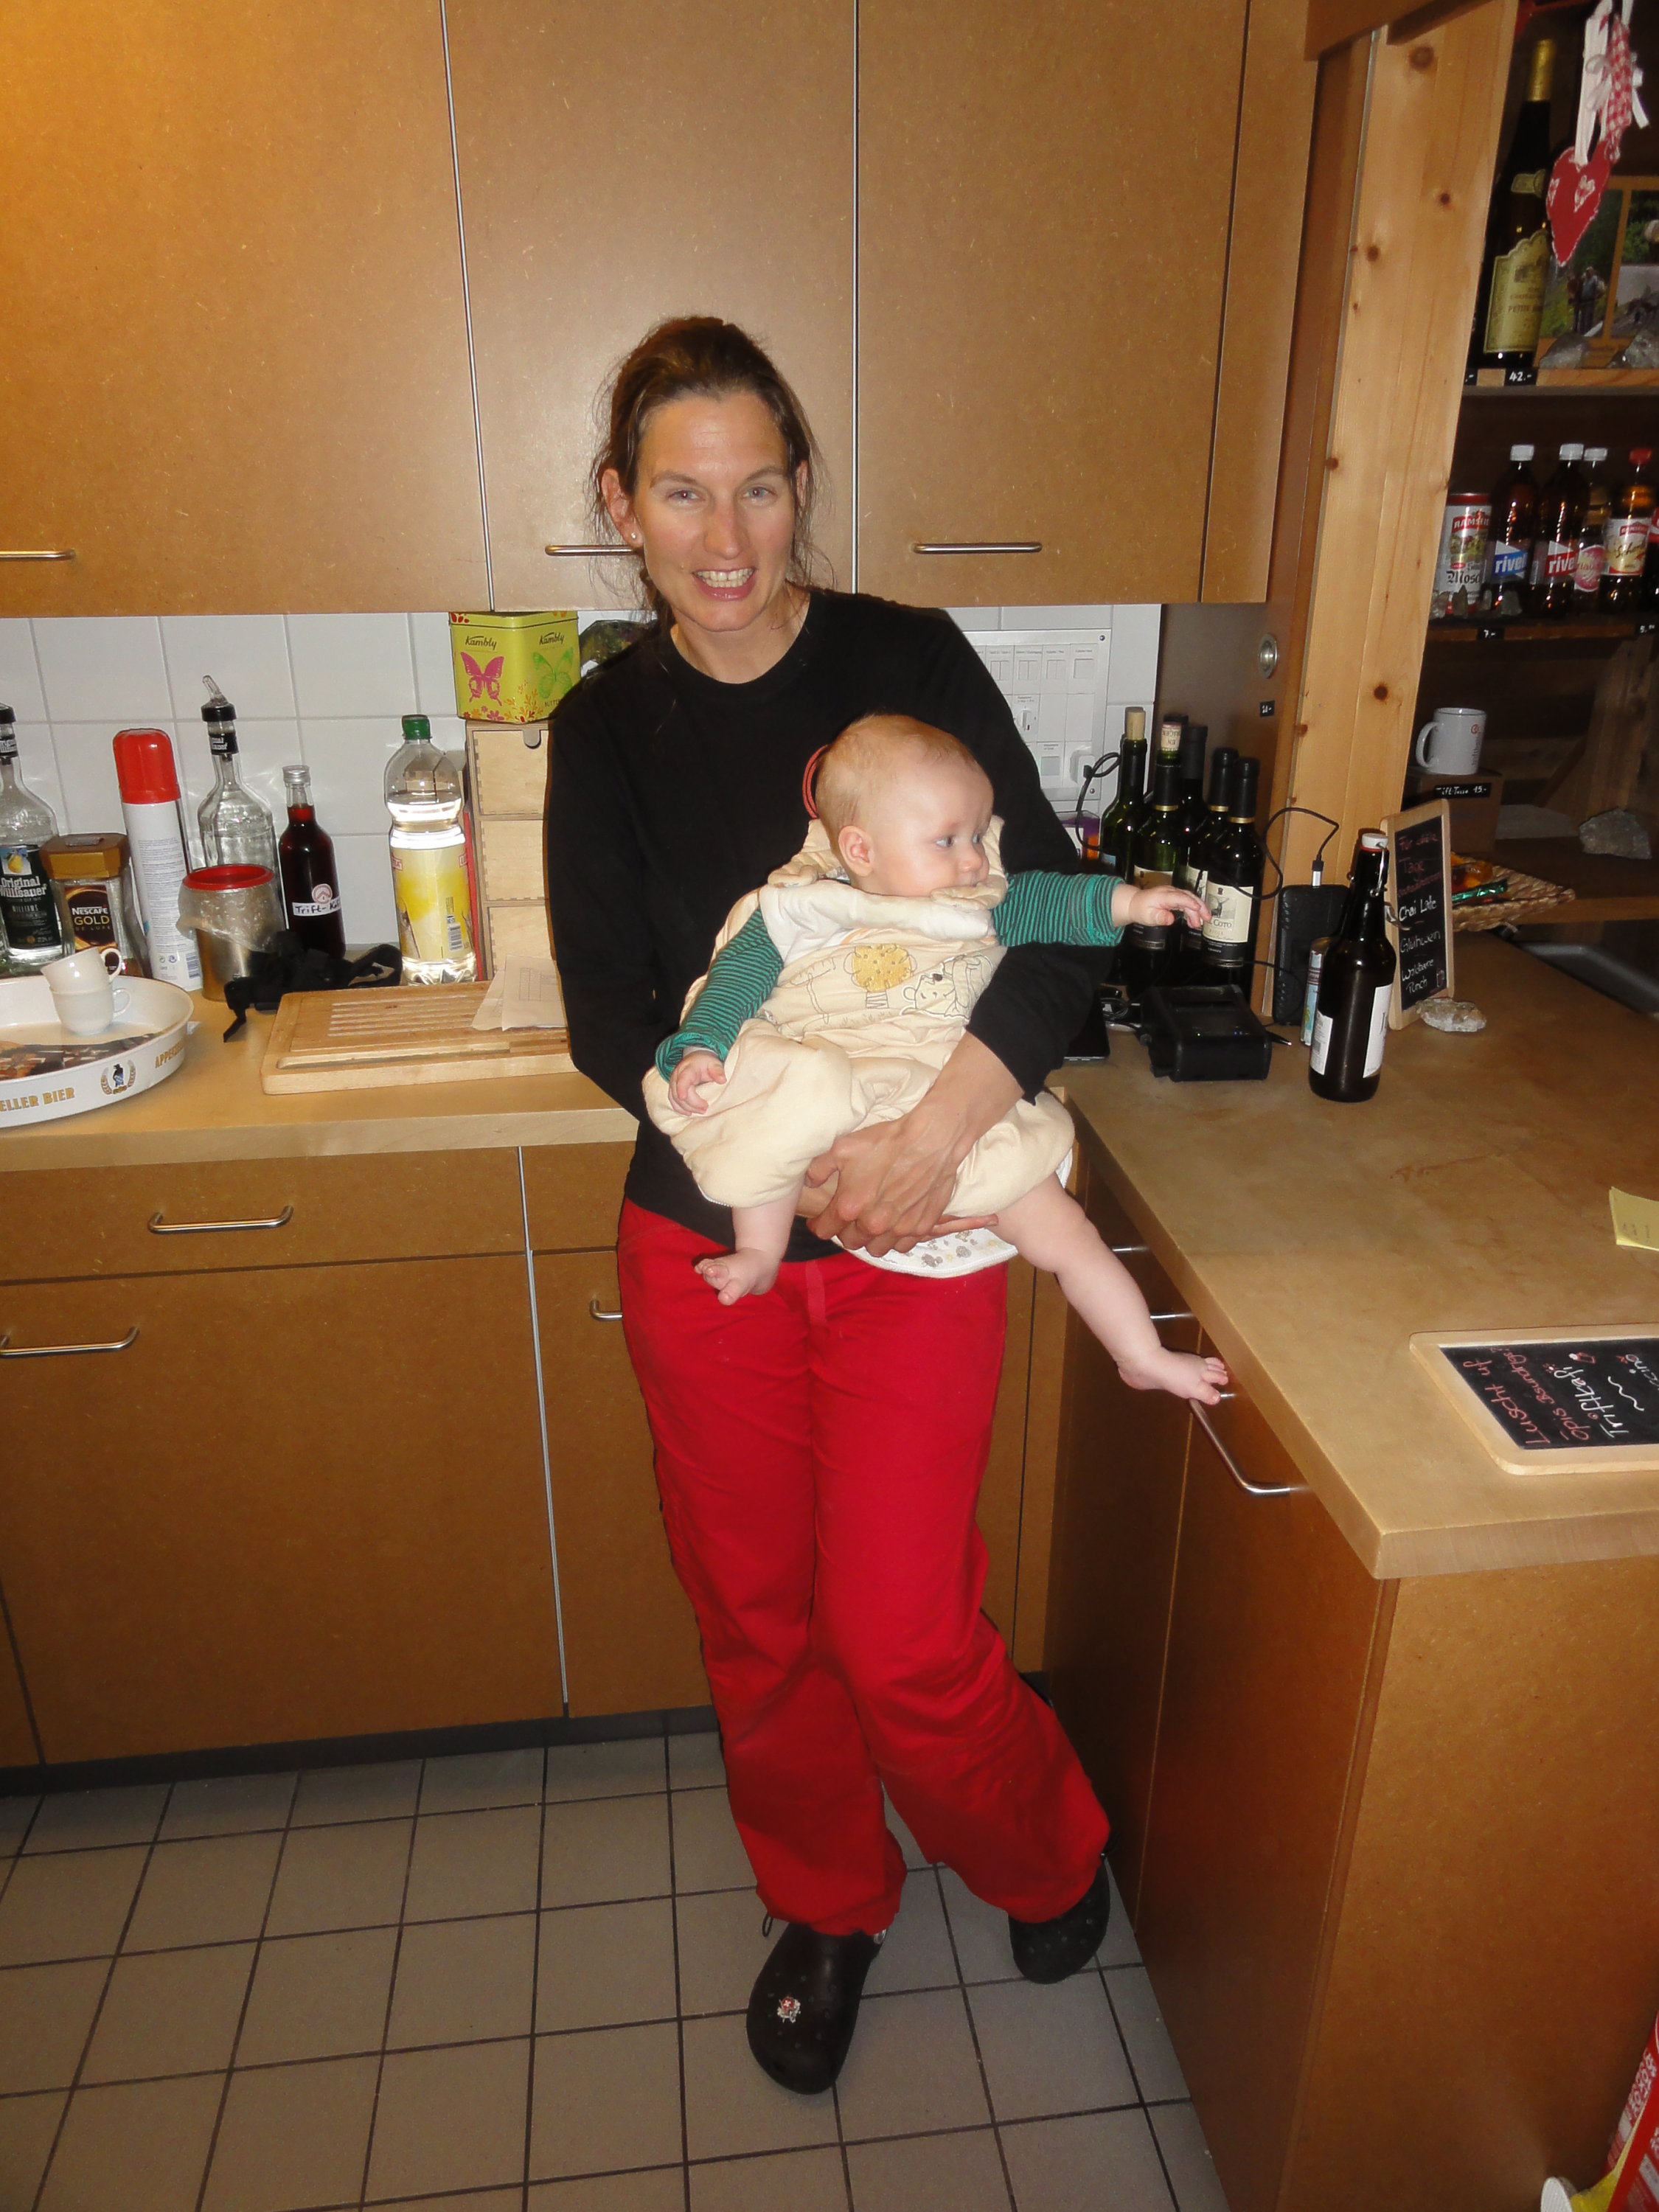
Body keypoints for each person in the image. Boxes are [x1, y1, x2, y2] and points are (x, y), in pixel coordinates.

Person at [547, 316, 1164, 2096]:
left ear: (802, 486)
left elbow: (1044, 917)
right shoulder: (604, 727)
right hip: (715, 1238)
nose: (725, 534)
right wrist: (778, 1147)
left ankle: (1041, 1843)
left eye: (759, 487)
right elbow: (610, 1013)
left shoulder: (906, 659)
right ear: (622, 504)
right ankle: (829, 1899)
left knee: (901, 1634)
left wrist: (930, 1135)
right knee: (758, 1621)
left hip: (927, 1226)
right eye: (681, 493)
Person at [645, 712, 1229, 1408]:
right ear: (860, 848)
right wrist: (701, 1049)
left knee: (1066, 1231)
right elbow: (732, 986)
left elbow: (1051, 899)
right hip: (839, 1094)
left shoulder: (971, 905)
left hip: (941, 1101)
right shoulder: (799, 911)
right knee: (778, 1116)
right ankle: (760, 1253)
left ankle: (1140, 1354)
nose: (975, 860)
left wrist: (1130, 901)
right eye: (948, 840)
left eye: (978, 836)